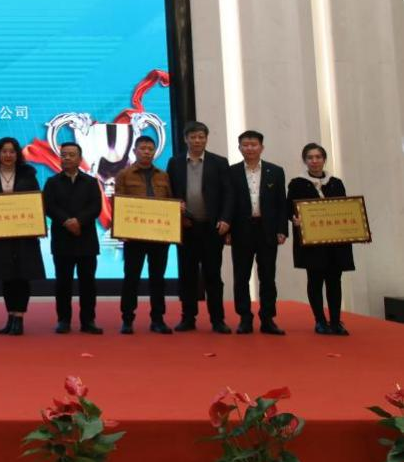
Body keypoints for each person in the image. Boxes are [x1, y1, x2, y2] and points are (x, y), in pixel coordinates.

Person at [165, 120, 234, 333]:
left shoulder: (219, 162)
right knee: (188, 275)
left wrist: (226, 219)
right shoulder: (175, 163)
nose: (197, 141)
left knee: (213, 275)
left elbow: (228, 194)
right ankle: (188, 317)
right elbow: (169, 192)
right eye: (193, 137)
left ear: (206, 139)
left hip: (212, 228)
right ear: (186, 139)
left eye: (201, 137)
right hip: (186, 227)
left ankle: (217, 319)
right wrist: (176, 208)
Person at [0, 136, 44, 336]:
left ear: (17, 155)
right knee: (6, 276)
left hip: (23, 234)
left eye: (12, 151)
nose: (8, 155)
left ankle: (19, 317)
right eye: (4, 151)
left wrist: (37, 224)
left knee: (22, 275)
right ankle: (10, 316)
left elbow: (36, 202)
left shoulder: (28, 174)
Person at [287, 142, 352, 335]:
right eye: (310, 157)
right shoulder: (297, 183)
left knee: (334, 281)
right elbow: (288, 209)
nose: (314, 161)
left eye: (318, 157)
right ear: (305, 160)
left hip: (335, 242)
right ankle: (320, 321)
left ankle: (336, 321)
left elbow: (345, 209)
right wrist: (294, 218)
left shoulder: (336, 182)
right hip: (312, 242)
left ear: (324, 159)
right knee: (315, 280)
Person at [228, 130, 288, 335]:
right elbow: (228, 202)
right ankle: (245, 318)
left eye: (253, 145)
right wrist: (227, 230)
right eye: (245, 145)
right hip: (241, 231)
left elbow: (281, 204)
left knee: (268, 277)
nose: (250, 148)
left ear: (261, 147)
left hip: (267, 230)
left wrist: (282, 229)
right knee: (241, 277)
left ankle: (268, 319)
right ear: (239, 148)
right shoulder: (232, 172)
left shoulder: (276, 171)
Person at [114, 135, 174, 334]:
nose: (147, 152)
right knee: (131, 277)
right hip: (134, 236)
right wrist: (120, 230)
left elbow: (170, 201)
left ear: (155, 152)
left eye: (150, 149)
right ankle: (127, 319)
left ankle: (158, 319)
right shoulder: (124, 174)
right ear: (134, 151)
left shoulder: (163, 175)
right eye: (143, 148)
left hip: (159, 236)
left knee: (158, 279)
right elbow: (119, 203)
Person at [43, 141, 102, 334]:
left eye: (71, 154)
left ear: (80, 158)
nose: (66, 158)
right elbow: (49, 206)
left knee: (88, 283)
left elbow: (95, 207)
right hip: (62, 239)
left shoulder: (91, 182)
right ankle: (63, 320)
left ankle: (88, 321)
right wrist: (67, 221)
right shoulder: (52, 182)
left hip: (86, 239)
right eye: (64, 154)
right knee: (63, 283)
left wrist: (79, 221)